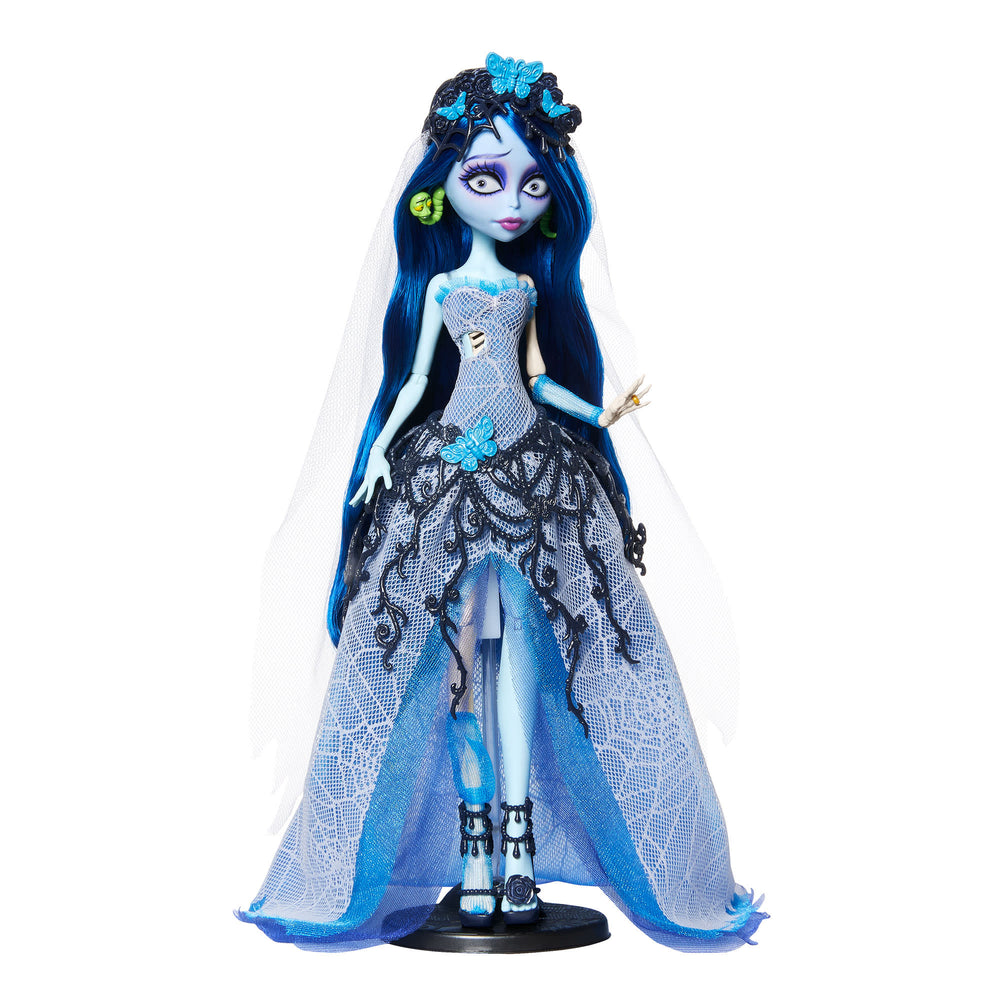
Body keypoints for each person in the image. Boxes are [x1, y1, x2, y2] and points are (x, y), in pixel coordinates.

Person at [238, 54, 765, 951]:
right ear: (443, 188)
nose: (513, 201)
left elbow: (539, 377)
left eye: (531, 183)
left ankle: (516, 849)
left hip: (536, 475)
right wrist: (377, 456)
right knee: (454, 667)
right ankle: (475, 853)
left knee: (522, 658)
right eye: (486, 179)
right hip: (448, 474)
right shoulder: (444, 289)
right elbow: (414, 382)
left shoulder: (523, 290)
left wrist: (599, 414)